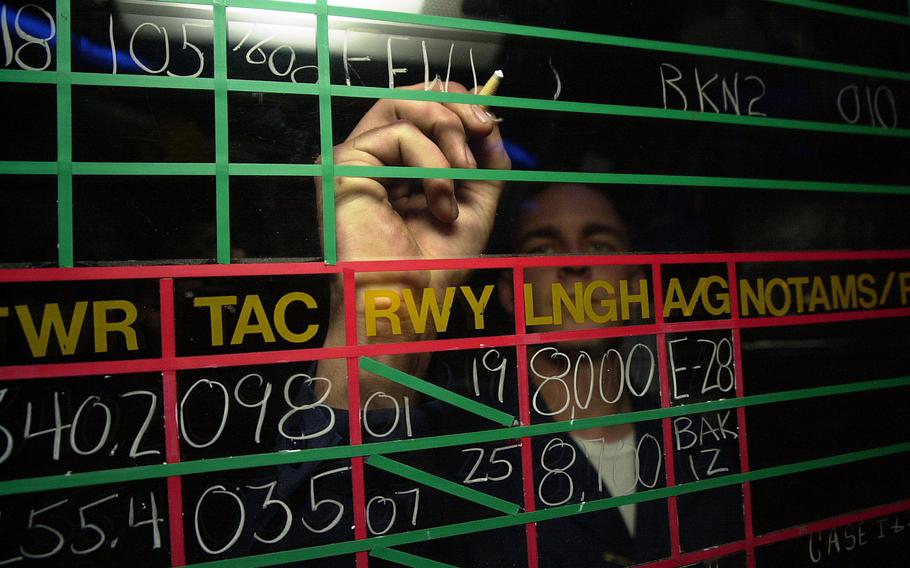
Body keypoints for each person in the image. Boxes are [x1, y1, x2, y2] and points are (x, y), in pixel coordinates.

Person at [257, 81, 741, 567]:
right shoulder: (455, 451)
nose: (574, 265)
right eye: (544, 249)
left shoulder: (704, 441)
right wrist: (381, 314)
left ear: (637, 283)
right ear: (510, 291)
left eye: (599, 245)